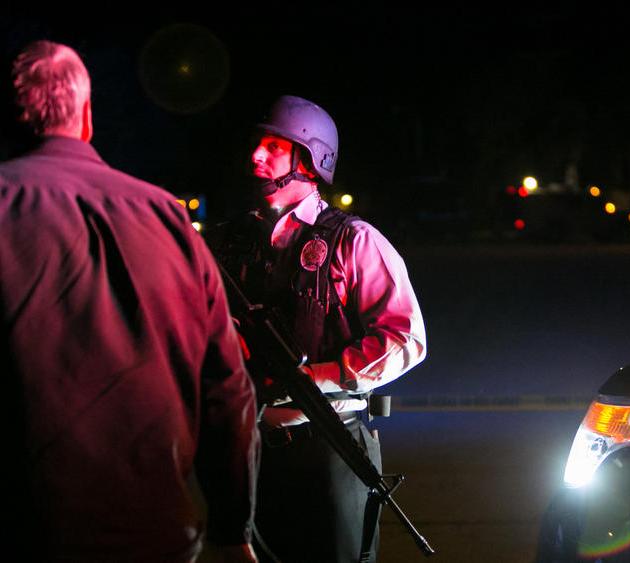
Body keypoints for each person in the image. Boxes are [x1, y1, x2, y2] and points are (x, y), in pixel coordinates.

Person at [0, 40, 260, 562]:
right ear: (86, 117)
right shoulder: (166, 217)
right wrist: (233, 530)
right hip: (156, 535)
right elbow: (228, 390)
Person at [213, 95, 427, 563]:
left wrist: (317, 376)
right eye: (258, 143)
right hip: (245, 451)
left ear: (310, 161)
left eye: (274, 146)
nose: (256, 155)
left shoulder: (354, 240)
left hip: (328, 447)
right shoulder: (229, 242)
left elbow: (406, 339)